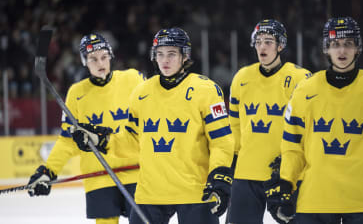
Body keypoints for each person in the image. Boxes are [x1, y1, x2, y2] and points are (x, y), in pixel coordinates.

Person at [72, 27, 235, 224]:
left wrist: (219, 175)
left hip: (194, 190)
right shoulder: (142, 92)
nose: (164, 60)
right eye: (160, 54)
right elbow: (132, 140)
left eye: (171, 54)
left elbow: (221, 141)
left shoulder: (206, 90)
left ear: (185, 56)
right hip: (150, 193)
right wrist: (101, 139)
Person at [267, 16, 363, 224]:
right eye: (335, 45)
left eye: (348, 44)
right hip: (314, 202)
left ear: (357, 48)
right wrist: (286, 182)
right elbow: (292, 146)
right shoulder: (304, 90)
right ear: (326, 48)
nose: (341, 51)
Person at [27, 33, 146, 224]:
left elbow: (153, 119)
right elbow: (68, 140)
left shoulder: (133, 79)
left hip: (136, 172)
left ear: (111, 56)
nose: (100, 62)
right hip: (99, 176)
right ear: (84, 61)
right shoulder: (76, 93)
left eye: (104, 57)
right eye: (93, 59)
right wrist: (48, 171)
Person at [227, 19, 311, 224]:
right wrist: (233, 160)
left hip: (287, 174)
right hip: (246, 173)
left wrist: (294, 160)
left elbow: (310, 127)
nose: (262, 46)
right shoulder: (242, 78)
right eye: (258, 42)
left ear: (280, 45)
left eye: (268, 41)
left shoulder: (301, 78)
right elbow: (234, 125)